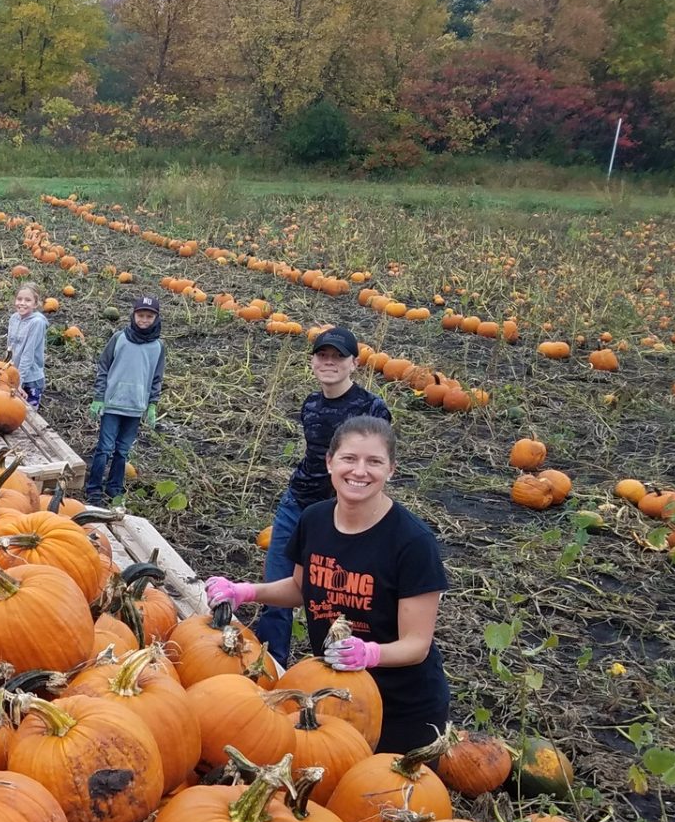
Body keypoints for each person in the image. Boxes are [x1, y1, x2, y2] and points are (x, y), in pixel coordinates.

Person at [205, 415, 450, 753]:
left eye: (374, 461)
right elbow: (301, 589)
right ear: (330, 462)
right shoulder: (314, 520)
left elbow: (416, 644)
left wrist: (370, 652)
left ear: (391, 470)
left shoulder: (411, 542)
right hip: (335, 695)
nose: (360, 471)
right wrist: (245, 591)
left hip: (400, 706)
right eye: (349, 458)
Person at [251, 325, 394, 670]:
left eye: (338, 357)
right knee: (277, 586)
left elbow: (374, 465)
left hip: (337, 513)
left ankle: (335, 665)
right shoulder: (311, 404)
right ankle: (270, 664)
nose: (329, 362)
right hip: (296, 503)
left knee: (334, 598)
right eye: (322, 355)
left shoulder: (371, 408)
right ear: (314, 362)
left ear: (353, 364)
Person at [84, 295, 164, 504]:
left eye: (149, 316)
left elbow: (156, 378)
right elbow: (104, 367)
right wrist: (99, 397)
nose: (144, 320)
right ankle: (93, 489)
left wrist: (152, 405)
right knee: (104, 448)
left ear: (155, 319)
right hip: (112, 404)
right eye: (140, 315)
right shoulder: (119, 338)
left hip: (136, 407)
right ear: (133, 315)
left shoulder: (158, 347)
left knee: (122, 451)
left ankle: (114, 488)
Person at [6, 283, 48, 408]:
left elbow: (28, 355)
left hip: (30, 379)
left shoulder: (37, 323)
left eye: (28, 300)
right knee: (10, 412)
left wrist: (19, 381)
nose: (22, 303)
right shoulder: (14, 318)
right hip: (14, 375)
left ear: (35, 304)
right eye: (19, 299)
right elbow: (9, 348)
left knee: (27, 414)